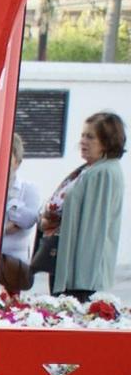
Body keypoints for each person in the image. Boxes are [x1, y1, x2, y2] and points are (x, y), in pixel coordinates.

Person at [51, 111, 125, 302]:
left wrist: (79, 282)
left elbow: (94, 231)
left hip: (82, 279)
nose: (83, 141)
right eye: (83, 135)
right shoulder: (91, 169)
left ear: (107, 142)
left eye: (90, 137)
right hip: (73, 274)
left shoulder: (103, 173)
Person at [0, 133, 41, 295]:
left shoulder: (27, 188)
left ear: (18, 162)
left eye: (7, 156)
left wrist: (10, 197)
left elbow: (28, 221)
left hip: (12, 264)